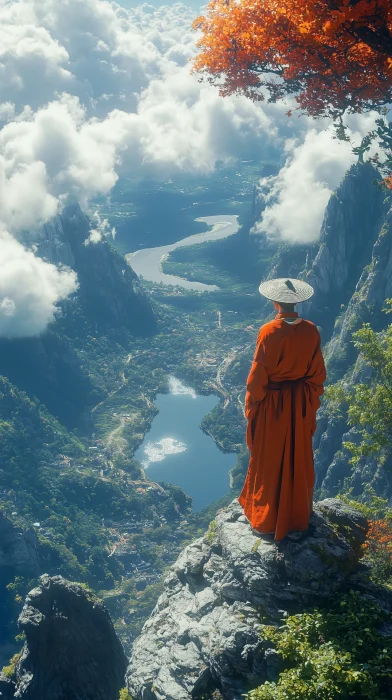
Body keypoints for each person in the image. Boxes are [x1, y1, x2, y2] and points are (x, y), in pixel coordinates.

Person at [238, 278, 326, 541]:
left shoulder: (268, 331)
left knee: (269, 457)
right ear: (297, 301)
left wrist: (253, 404)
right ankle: (296, 514)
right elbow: (317, 375)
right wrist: (305, 401)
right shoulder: (312, 331)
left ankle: (266, 519)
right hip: (298, 404)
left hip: (273, 404)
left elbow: (257, 378)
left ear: (275, 302)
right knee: (297, 455)